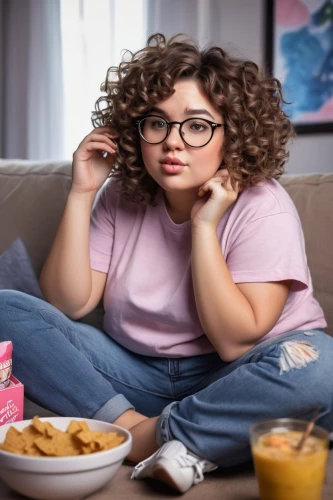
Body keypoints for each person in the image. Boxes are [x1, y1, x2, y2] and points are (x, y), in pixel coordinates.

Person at [0, 32, 332, 494]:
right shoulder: (121, 195)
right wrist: (81, 193)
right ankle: (156, 434)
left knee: (321, 369)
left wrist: (203, 226)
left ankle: (149, 437)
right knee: (5, 308)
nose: (173, 143)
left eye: (196, 126)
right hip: (136, 375)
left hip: (236, 373)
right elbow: (68, 303)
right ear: (138, 131)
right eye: (157, 123)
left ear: (231, 134)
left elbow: (236, 341)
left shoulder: (263, 205)